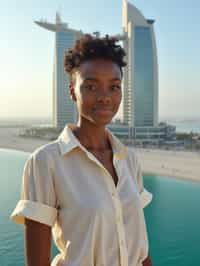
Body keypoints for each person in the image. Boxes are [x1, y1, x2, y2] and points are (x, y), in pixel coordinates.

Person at [10, 34, 153, 266]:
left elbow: (140, 246)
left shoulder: (129, 160)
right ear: (72, 91)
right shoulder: (46, 162)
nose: (105, 97)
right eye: (91, 86)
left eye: (114, 87)